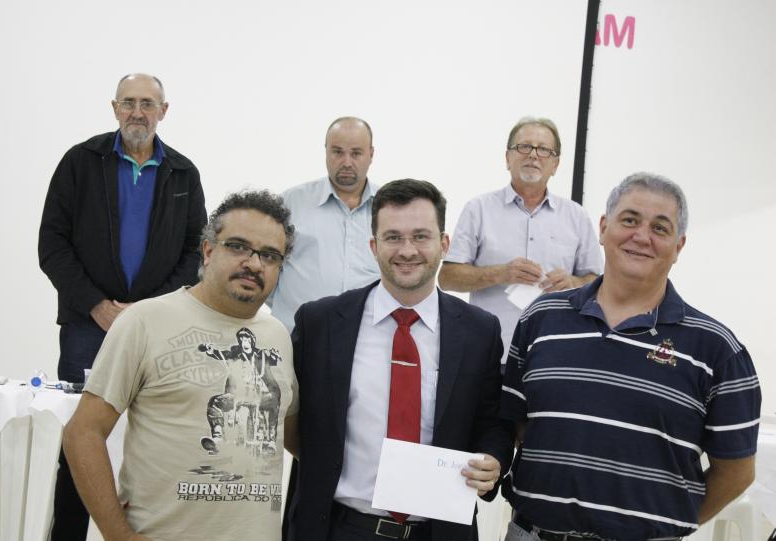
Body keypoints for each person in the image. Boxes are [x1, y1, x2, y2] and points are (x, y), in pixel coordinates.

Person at [500, 173, 761, 540]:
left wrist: (665, 526)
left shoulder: (718, 350)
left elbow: (736, 472)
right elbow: (517, 425)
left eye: (660, 228)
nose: (642, 236)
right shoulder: (541, 318)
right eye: (630, 220)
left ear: (679, 246)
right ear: (603, 228)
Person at [63, 191, 299, 541]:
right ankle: (217, 439)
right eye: (238, 247)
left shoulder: (278, 335)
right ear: (208, 250)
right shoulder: (145, 321)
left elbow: (295, 434)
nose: (253, 263)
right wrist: (117, 534)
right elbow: (82, 433)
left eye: (269, 255)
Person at [289, 179, 512, 540]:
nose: (407, 250)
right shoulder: (321, 323)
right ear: (374, 246)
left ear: (444, 244)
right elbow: (291, 418)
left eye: (421, 236)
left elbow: (492, 421)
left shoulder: (479, 331)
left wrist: (493, 459)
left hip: (438, 532)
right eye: (393, 237)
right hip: (339, 528)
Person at [38, 72, 206, 540]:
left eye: (147, 103)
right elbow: (52, 245)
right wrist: (98, 307)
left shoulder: (184, 173)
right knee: (80, 440)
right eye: (128, 102)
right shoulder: (80, 162)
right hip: (87, 329)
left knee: (160, 437)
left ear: (163, 111)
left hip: (159, 330)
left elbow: (196, 254)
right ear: (114, 108)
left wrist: (147, 311)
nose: (137, 112)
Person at [438, 116, 602, 352]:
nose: (533, 155)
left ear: (555, 165)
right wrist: (501, 273)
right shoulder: (478, 209)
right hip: (490, 350)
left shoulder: (576, 216)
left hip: (553, 349)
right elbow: (447, 278)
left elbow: (598, 283)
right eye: (524, 147)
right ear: (508, 158)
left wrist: (573, 283)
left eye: (544, 150)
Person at [269, 116, 380, 332]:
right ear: (326, 151)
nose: (346, 162)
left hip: (367, 339)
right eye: (337, 152)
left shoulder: (390, 208)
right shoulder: (290, 203)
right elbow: (265, 265)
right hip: (296, 336)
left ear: (371, 154)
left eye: (356, 153)